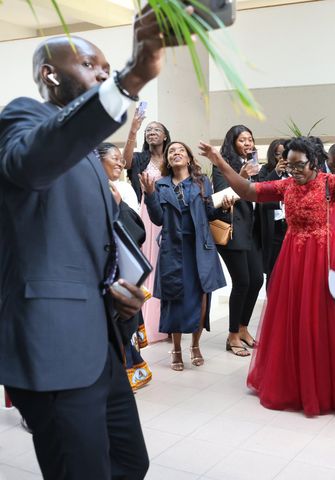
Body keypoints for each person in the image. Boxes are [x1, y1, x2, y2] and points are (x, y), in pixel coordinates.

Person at [0, 5, 172, 475]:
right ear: (49, 75)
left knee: (129, 463)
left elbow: (85, 243)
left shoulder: (90, 157)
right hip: (52, 347)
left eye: (105, 66)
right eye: (89, 64)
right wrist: (129, 78)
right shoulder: (21, 119)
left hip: (99, 342)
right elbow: (36, 163)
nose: (102, 70)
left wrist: (116, 286)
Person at [199, 128, 335, 416]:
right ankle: (293, 383)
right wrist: (220, 162)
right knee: (293, 318)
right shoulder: (286, 186)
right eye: (290, 165)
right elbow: (248, 190)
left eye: (299, 165)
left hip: (326, 257)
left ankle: (327, 386)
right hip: (294, 257)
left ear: (314, 161)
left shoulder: (332, 183)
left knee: (326, 318)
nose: (294, 170)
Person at [141, 141, 227, 371]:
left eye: (181, 151)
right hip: (172, 250)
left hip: (199, 248)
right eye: (172, 152)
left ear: (189, 158)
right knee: (174, 301)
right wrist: (150, 195)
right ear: (168, 160)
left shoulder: (201, 182)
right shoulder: (160, 186)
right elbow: (158, 218)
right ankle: (177, 349)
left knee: (200, 299)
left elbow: (210, 212)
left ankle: (196, 346)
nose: (176, 153)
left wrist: (225, 207)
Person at [97, 142, 152, 390]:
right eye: (115, 158)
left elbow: (136, 230)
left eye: (121, 158)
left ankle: (125, 374)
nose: (120, 162)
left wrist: (119, 205)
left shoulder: (117, 188)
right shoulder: (96, 190)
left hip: (122, 271)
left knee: (123, 326)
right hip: (105, 273)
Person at [212, 125, 263, 356]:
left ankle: (243, 328)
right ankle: (232, 334)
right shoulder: (222, 165)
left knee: (255, 281)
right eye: (243, 140)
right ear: (232, 142)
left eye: (250, 139)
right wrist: (241, 177)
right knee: (242, 281)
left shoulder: (253, 165)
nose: (248, 143)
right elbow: (222, 198)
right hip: (231, 231)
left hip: (250, 231)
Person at [123, 117, 171, 344]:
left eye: (156, 130)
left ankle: (169, 321)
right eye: (149, 130)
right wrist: (133, 129)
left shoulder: (171, 160)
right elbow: (125, 161)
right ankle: (148, 324)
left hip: (168, 216)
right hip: (146, 215)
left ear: (164, 137)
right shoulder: (141, 158)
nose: (152, 132)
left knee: (167, 265)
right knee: (148, 264)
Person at [258, 138, 288, 283]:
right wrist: (276, 172)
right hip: (274, 226)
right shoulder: (265, 170)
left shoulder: (295, 172)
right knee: (273, 270)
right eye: (278, 155)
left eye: (285, 154)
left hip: (291, 226)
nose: (282, 159)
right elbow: (261, 190)